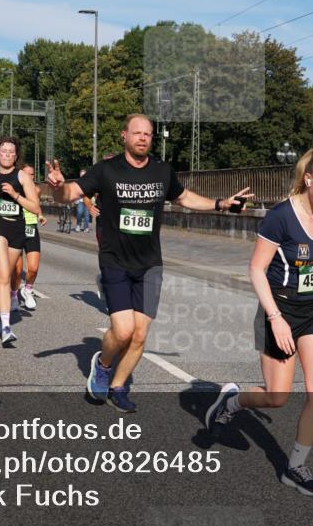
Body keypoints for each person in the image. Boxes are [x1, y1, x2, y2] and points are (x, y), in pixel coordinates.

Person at [46, 114, 251, 412]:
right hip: (115, 260)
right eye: (137, 133)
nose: (143, 138)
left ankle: (118, 386)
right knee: (124, 330)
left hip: (150, 264)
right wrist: (57, 187)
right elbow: (71, 193)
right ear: (124, 136)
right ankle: (102, 364)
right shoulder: (105, 170)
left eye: (148, 134)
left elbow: (184, 198)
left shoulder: (162, 171)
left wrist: (220, 204)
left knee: (140, 335)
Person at [204, 149, 313, 497]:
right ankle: (232, 402)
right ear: (309, 180)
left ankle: (295, 467)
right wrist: (275, 318)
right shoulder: (280, 217)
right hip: (280, 310)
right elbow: (256, 269)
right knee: (277, 397)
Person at [0, 137, 40, 344]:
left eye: (10, 152)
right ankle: (6, 327)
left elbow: (35, 207)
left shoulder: (22, 176)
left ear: (16, 156)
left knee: (8, 274)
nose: (6, 154)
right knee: (4, 275)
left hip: (17, 228)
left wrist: (15, 195)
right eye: (3, 151)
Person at [15, 164, 44, 310]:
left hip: (31, 229)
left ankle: (27, 290)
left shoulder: (37, 190)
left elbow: (37, 206)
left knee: (33, 268)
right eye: (27, 174)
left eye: (32, 174)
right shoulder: (14, 190)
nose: (30, 177)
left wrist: (40, 216)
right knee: (17, 270)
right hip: (16, 229)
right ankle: (14, 295)